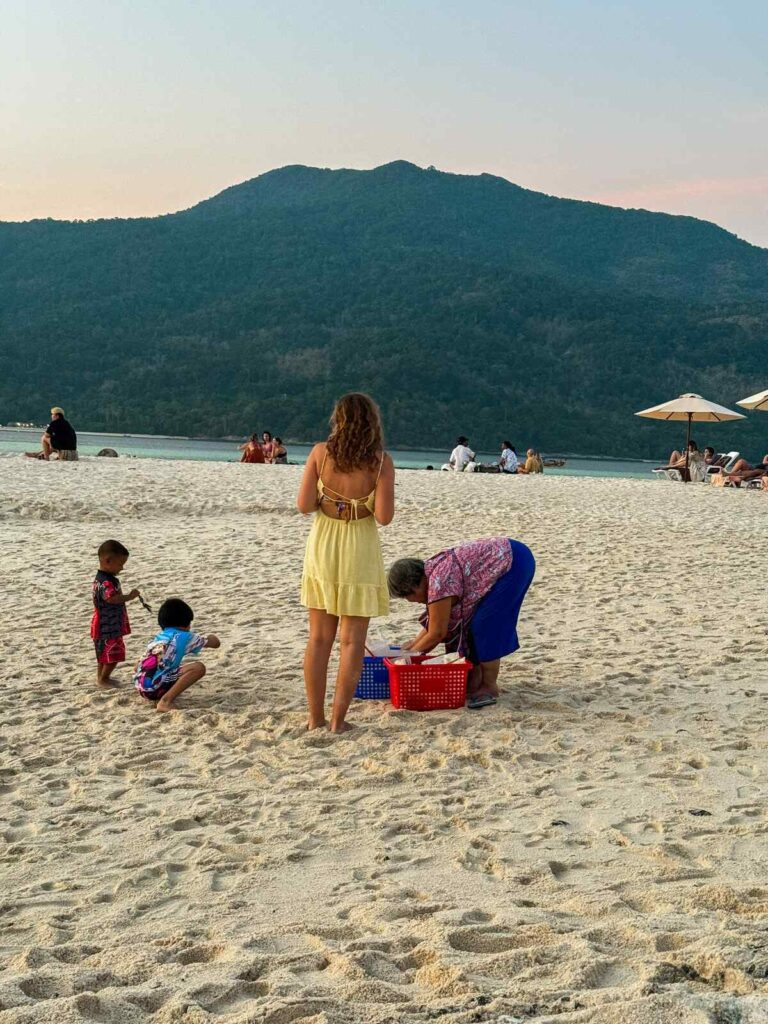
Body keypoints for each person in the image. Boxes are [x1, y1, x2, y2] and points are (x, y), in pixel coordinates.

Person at [297, 393, 395, 733]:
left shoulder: (320, 454)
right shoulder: (380, 462)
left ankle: (315, 718)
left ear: (337, 419)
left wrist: (331, 504)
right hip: (359, 547)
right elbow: (384, 517)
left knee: (319, 639)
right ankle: (339, 721)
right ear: (372, 421)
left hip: (324, 544)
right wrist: (358, 506)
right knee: (352, 641)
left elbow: (305, 504)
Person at [388, 537, 535, 710]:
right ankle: (478, 680)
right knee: (474, 624)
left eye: (407, 597)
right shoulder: (432, 574)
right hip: (511, 555)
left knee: (485, 624)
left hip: (513, 562)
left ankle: (489, 686)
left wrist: (409, 660)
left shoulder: (438, 583)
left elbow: (437, 633)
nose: (410, 601)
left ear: (414, 586)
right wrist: (411, 647)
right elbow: (435, 622)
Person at [133, 598, 220, 713]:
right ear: (186, 623)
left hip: (140, 686)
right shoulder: (185, 636)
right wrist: (210, 636)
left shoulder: (158, 638)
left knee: (165, 666)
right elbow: (215, 643)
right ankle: (165, 701)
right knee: (198, 668)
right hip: (154, 688)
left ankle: (159, 691)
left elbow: (136, 667)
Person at [91, 539, 141, 686]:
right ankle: (104, 678)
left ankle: (101, 677)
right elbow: (111, 598)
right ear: (108, 561)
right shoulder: (106, 582)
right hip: (108, 624)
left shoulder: (102, 579)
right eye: (120, 564)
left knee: (103, 654)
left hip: (103, 624)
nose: (122, 568)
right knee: (113, 654)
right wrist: (130, 597)